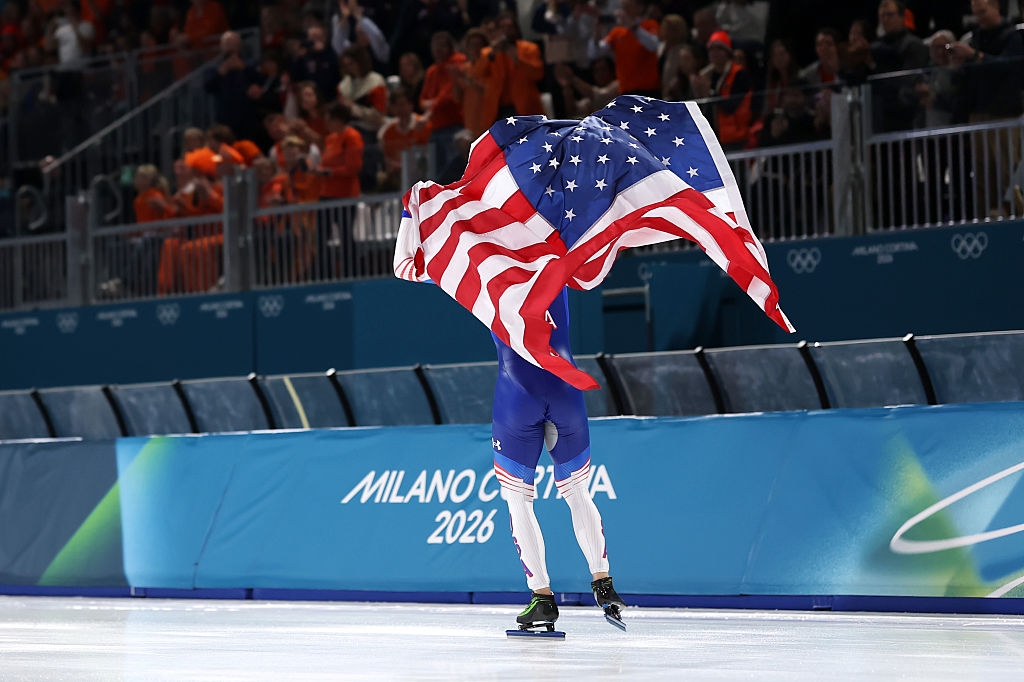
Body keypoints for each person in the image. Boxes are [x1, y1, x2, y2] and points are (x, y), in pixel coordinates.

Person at [948, 0, 1023, 218]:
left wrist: (974, 56)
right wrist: (957, 68)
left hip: (1003, 116)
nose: (980, 17)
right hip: (978, 115)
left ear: (996, 7)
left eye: (983, 12)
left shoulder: (1012, 36)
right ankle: (986, 221)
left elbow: (1008, 66)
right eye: (976, 13)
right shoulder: (976, 38)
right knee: (982, 176)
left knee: (1005, 172)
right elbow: (969, 77)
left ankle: (1011, 219)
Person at [691, 30, 752, 151]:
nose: (714, 53)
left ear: (727, 52)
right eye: (711, 49)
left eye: (719, 49)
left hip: (736, 137)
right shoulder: (706, 75)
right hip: (713, 138)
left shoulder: (739, 74)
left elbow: (731, 106)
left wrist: (710, 91)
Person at [591, 0, 661, 97]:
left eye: (628, 7)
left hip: (648, 90)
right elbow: (595, 53)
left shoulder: (649, 25)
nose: (624, 11)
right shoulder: (617, 32)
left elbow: (654, 45)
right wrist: (596, 34)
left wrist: (632, 27)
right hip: (626, 91)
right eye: (623, 7)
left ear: (639, 7)